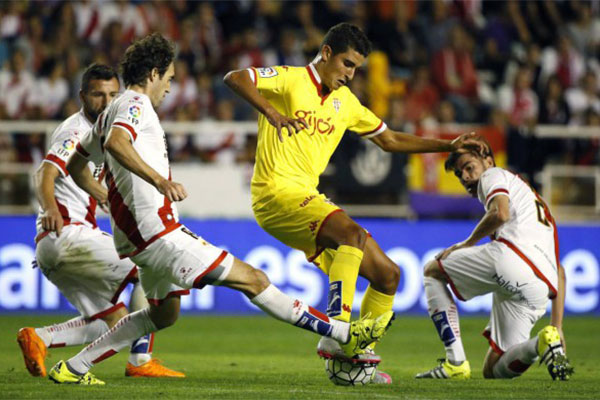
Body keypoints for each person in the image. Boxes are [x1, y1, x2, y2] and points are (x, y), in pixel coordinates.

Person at [48, 33, 393, 386]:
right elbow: (116, 143)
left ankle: (73, 367)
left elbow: (76, 164)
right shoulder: (135, 104)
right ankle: (340, 332)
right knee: (254, 280)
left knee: (163, 315)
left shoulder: (109, 111)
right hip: (158, 234)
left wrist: (104, 194)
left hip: (135, 238)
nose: (169, 86)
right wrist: (159, 181)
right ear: (153, 74)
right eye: (169, 78)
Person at [224, 22, 481, 383]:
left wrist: (448, 145)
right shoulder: (290, 79)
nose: (350, 74)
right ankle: (336, 332)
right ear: (326, 53)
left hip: (306, 198)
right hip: (274, 193)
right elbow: (236, 77)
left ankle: (355, 361)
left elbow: (390, 140)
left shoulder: (346, 103)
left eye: (356, 68)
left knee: (389, 276)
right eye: (347, 64)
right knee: (352, 235)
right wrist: (272, 112)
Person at [17, 64, 183, 379]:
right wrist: (50, 209)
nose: (106, 102)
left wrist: (102, 194)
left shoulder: (103, 130)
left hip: (54, 246)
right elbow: (44, 173)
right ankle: (141, 360)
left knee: (114, 323)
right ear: (82, 96)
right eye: (97, 95)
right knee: (152, 264)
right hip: (68, 234)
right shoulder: (75, 130)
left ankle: (39, 337)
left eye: (112, 95)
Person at [415, 138, 573, 380]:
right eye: (459, 174)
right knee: (494, 369)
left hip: (511, 259)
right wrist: (557, 326)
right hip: (539, 288)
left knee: (431, 271)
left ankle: (455, 363)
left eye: (469, 167)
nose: (465, 177)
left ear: (488, 161)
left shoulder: (494, 174)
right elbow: (559, 271)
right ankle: (542, 342)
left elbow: (500, 213)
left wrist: (466, 243)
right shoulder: (536, 208)